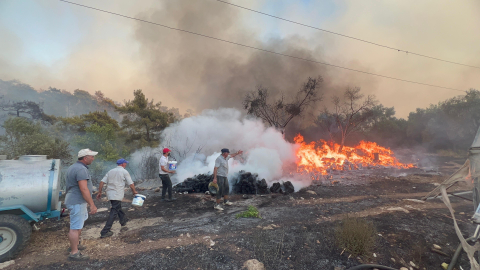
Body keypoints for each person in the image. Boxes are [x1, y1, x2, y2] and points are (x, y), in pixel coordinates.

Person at [65, 148, 98, 261]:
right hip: (77, 201)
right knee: (75, 227)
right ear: (85, 158)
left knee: (78, 224)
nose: (93, 159)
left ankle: (75, 245)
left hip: (76, 200)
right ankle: (74, 252)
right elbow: (84, 189)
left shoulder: (73, 167)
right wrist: (92, 204)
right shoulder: (81, 169)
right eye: (91, 157)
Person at [96, 158, 138, 238]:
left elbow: (102, 182)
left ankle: (123, 220)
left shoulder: (110, 171)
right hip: (117, 193)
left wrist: (100, 192)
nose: (126, 164)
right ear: (122, 164)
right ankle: (105, 231)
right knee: (114, 211)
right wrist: (134, 192)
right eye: (125, 163)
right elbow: (131, 184)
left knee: (117, 207)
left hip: (110, 193)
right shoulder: (124, 171)